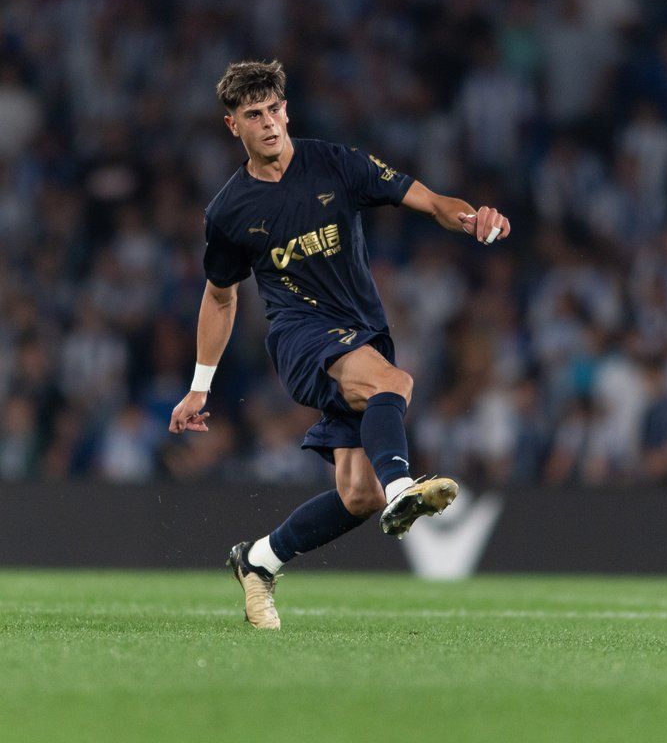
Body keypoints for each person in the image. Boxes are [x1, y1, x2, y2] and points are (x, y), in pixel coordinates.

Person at [168, 61, 511, 629]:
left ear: (287, 109)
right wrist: (199, 387)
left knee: (358, 495)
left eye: (275, 109)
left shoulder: (335, 163)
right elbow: (221, 297)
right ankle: (405, 486)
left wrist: (474, 218)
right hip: (300, 338)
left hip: (362, 330)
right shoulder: (230, 212)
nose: (270, 124)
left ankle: (259, 560)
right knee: (392, 384)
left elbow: (428, 201)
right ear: (234, 127)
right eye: (254, 115)